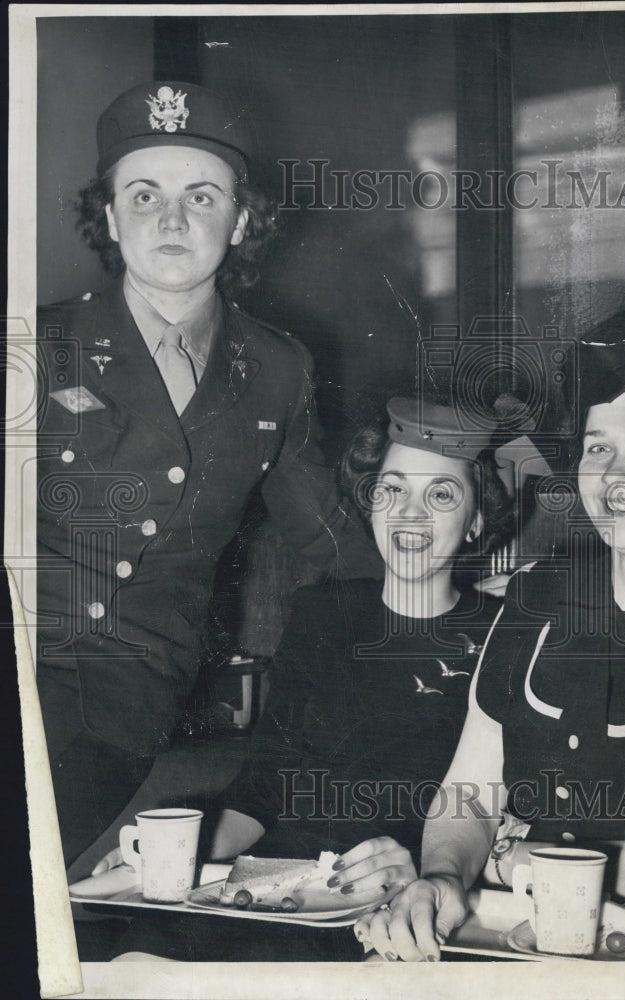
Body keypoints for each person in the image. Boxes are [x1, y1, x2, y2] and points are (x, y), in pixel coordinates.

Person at [358, 296, 625, 962]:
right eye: (598, 448)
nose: (615, 477)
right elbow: (468, 794)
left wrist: (496, 858)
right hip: (509, 935)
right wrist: (443, 875)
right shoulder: (533, 600)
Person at [36, 81, 380, 867]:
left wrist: (446, 599)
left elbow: (332, 545)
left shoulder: (276, 369)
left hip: (129, 690)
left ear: (244, 219)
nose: (171, 218)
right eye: (144, 194)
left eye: (202, 195)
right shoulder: (35, 344)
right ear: (112, 215)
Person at [91, 396, 515, 960]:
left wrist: (433, 873)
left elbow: (486, 807)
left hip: (400, 899)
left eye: (440, 494)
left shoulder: (503, 635)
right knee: (141, 958)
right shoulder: (319, 611)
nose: (410, 514)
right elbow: (267, 781)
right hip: (279, 883)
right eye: (392, 489)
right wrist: (173, 850)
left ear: (477, 519)